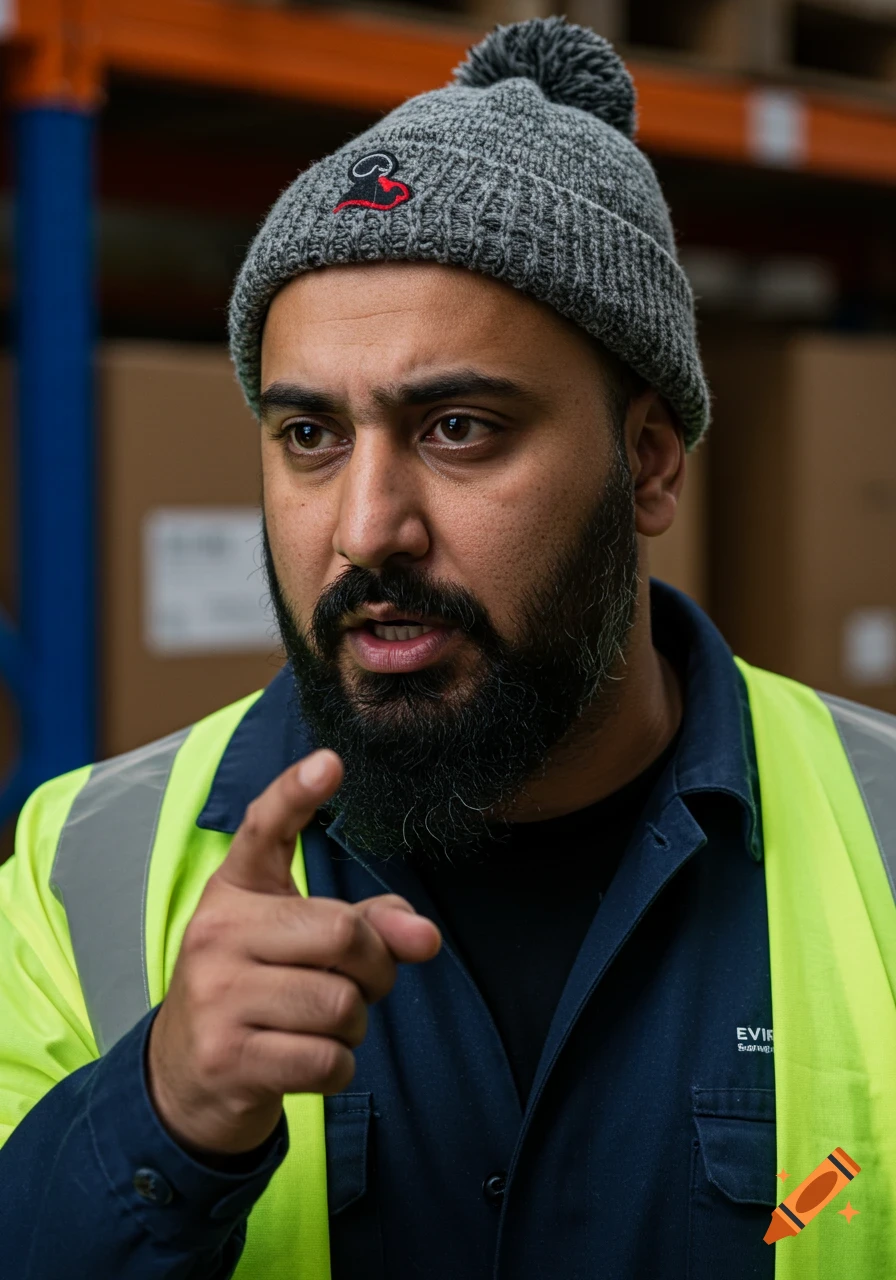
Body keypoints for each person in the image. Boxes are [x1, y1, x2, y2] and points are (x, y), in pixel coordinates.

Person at [1, 17, 893, 1280]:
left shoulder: (885, 836)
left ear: (647, 462)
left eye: (459, 426)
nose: (366, 528)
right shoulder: (80, 871)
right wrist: (159, 1111)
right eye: (309, 435)